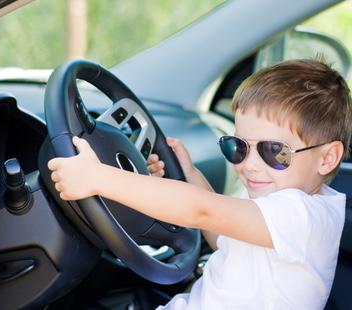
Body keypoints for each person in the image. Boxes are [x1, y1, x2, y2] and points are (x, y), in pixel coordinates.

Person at [48, 59, 352, 309]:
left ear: (327, 158)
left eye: (274, 151)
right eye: (239, 146)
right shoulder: (281, 200)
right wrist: (190, 174)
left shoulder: (302, 216)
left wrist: (98, 178)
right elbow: (224, 235)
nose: (249, 164)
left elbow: (203, 211)